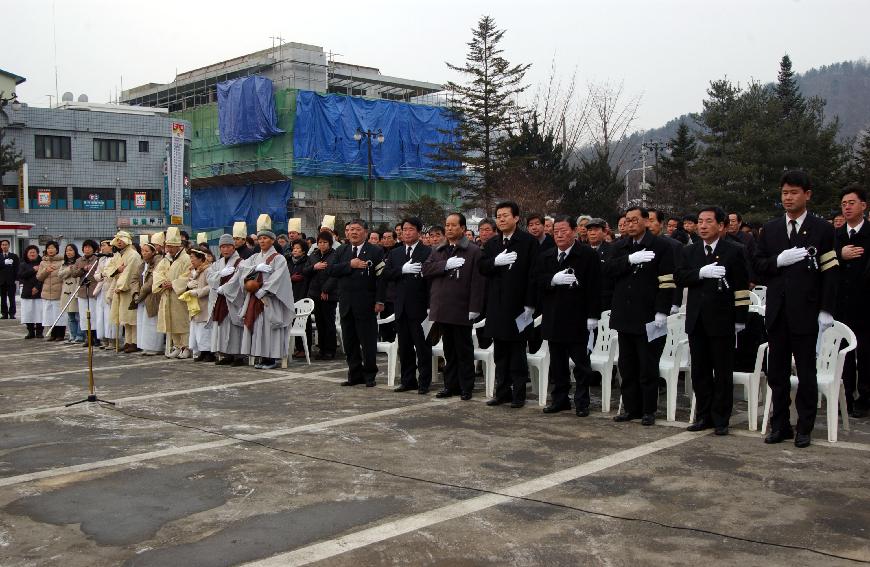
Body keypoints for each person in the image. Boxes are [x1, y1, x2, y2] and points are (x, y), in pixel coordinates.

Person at [753, 170, 838, 448]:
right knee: (776, 373)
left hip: (806, 311)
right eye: (784, 193)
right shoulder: (772, 229)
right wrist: (779, 260)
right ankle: (780, 425)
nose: (788, 198)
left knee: (805, 372)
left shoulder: (823, 229)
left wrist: (826, 309)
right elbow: (759, 266)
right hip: (777, 312)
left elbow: (830, 272)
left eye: (793, 192)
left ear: (807, 195)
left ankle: (805, 426)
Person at [675, 206, 750, 435]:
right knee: (700, 371)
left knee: (722, 371)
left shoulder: (734, 251)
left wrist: (740, 318)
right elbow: (679, 277)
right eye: (700, 221)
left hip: (722, 319)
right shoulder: (690, 251)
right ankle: (703, 415)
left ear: (721, 225)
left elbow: (741, 287)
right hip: (697, 319)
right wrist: (700, 273)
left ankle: (721, 418)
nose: (703, 226)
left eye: (709, 221)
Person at [605, 207, 676, 425]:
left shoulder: (662, 246)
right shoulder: (620, 246)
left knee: (647, 365)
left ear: (646, 221)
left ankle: (648, 409)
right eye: (628, 220)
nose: (631, 224)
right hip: (625, 314)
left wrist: (662, 311)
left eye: (636, 220)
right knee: (627, 365)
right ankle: (630, 408)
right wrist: (629, 260)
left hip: (648, 315)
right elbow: (608, 270)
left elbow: (667, 281)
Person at [536, 215, 601, 416]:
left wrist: (593, 315)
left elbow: (595, 287)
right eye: (556, 232)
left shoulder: (587, 255)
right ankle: (560, 399)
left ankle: (582, 402)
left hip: (578, 318)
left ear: (574, 231)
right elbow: (536, 281)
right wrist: (552, 280)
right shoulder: (546, 256)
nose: (560, 235)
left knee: (581, 364)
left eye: (564, 231)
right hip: (554, 317)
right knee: (558, 364)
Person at [480, 201, 539, 408]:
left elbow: (534, 274)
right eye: (499, 215)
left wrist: (530, 304)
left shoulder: (528, 242)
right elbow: (482, 267)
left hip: (519, 307)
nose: (501, 219)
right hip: (497, 306)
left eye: (506, 215)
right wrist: (495, 262)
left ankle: (519, 394)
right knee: (500, 353)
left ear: (516, 218)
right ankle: (502, 392)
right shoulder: (492, 244)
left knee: (517, 353)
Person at [423, 212, 485, 400]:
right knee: (449, 350)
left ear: (463, 228)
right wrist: (445, 265)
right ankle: (450, 385)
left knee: (464, 350)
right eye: (447, 225)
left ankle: (466, 386)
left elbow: (478, 281)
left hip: (462, 307)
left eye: (453, 225)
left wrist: (475, 307)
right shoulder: (439, 249)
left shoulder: (473, 251)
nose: (449, 228)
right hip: (442, 307)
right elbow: (426, 269)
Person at [328, 219, 384, 386]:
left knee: (367, 343)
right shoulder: (342, 250)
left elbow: (381, 279)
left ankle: (369, 376)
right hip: (346, 304)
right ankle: (354, 375)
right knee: (350, 342)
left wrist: (379, 300)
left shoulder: (375, 251)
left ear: (365, 232)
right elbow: (331, 270)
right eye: (351, 229)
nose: (353, 232)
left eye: (358, 229)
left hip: (366, 304)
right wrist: (349, 265)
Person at [379, 216, 432, 394]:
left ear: (418, 232)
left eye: (410, 229)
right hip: (400, 306)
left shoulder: (427, 251)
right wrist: (402, 269)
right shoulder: (396, 253)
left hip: (420, 306)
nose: (406, 233)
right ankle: (408, 380)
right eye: (404, 230)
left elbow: (431, 280)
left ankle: (424, 381)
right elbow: (386, 274)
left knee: (422, 347)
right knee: (405, 347)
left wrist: (430, 305)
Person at [238, 215, 295, 370]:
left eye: (265, 238)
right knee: (258, 327)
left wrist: (263, 290)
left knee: (270, 328)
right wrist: (255, 268)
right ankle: (262, 356)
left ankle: (272, 358)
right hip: (255, 297)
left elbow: (279, 278)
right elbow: (241, 269)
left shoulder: (279, 259)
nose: (262, 241)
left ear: (272, 240)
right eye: (260, 238)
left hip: (270, 299)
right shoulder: (255, 257)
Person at [834, 184, 870, 418]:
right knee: (843, 352)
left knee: (866, 353)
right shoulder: (835, 236)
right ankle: (845, 396)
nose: (847, 207)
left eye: (852, 203)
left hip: (865, 303)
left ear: (863, 206)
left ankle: (865, 398)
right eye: (844, 204)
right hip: (840, 303)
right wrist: (840, 254)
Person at [154, 227, 193, 360]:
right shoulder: (165, 259)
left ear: (178, 246)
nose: (169, 249)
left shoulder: (186, 259)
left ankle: (186, 347)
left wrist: (174, 284)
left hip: (179, 295)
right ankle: (177, 346)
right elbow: (157, 273)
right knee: (171, 320)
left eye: (171, 246)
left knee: (182, 321)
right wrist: (163, 283)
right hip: (167, 294)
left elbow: (187, 276)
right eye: (167, 246)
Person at [207, 234, 246, 366]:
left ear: (233, 247)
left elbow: (238, 280)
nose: (225, 249)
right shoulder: (218, 263)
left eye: (228, 246)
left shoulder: (240, 262)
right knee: (222, 326)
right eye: (223, 247)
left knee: (234, 327)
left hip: (232, 299)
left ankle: (238, 355)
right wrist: (220, 274)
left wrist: (225, 288)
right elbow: (210, 277)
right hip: (220, 299)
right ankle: (226, 353)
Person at [306, 232, 340, 360]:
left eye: (325, 242)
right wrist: (314, 267)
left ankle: (330, 349)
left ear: (330, 243)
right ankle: (322, 349)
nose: (322, 245)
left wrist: (326, 290)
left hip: (329, 294)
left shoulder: (335, 255)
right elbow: (305, 271)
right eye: (320, 242)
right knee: (320, 322)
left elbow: (335, 274)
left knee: (329, 322)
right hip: (315, 293)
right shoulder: (313, 255)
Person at [109, 231, 143, 353]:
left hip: (129, 289)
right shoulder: (120, 255)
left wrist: (121, 286)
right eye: (117, 239)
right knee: (125, 318)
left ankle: (135, 342)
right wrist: (117, 271)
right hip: (121, 289)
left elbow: (130, 273)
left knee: (132, 318)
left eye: (121, 239)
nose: (119, 242)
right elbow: (111, 269)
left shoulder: (133, 255)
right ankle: (128, 341)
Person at [132, 240, 165, 356]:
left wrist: (140, 294)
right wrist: (136, 292)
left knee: (152, 322)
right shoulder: (142, 264)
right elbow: (135, 279)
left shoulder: (158, 262)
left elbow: (151, 282)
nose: (144, 253)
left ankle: (155, 347)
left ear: (153, 252)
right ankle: (144, 346)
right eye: (142, 250)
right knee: (142, 322)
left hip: (152, 295)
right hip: (141, 297)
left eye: (147, 251)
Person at [181, 249, 214, 362]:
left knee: (204, 330)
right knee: (197, 330)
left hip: (204, 304)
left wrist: (198, 292)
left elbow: (211, 286)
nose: (191, 260)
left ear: (200, 258)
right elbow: (188, 283)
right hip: (195, 305)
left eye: (193, 258)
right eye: (190, 258)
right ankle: (201, 351)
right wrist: (188, 286)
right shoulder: (194, 271)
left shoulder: (208, 270)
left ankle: (208, 352)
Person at [71, 240, 101, 347]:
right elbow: (74, 273)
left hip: (94, 291)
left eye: (89, 247)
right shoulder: (79, 260)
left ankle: (97, 337)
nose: (87, 249)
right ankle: (88, 337)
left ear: (94, 249)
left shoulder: (98, 259)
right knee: (84, 316)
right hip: (83, 291)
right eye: (85, 247)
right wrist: (83, 269)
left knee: (95, 315)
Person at [286, 239, 313, 359]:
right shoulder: (289, 261)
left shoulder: (307, 261)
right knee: (292, 321)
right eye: (294, 248)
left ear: (303, 251)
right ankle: (297, 347)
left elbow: (307, 275)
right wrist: (290, 278)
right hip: (291, 293)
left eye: (298, 248)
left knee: (303, 322)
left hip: (302, 293)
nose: (295, 251)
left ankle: (305, 347)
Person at [36, 241, 65, 341]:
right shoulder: (43, 262)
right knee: (49, 314)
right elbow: (39, 277)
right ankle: (53, 333)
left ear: (57, 249)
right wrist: (46, 270)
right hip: (46, 292)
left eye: (52, 248)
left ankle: (60, 334)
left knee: (59, 313)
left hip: (59, 291)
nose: (50, 250)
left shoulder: (62, 262)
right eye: (48, 248)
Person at [58, 243, 84, 343]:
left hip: (76, 290)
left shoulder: (80, 261)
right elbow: (60, 275)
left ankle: (80, 335)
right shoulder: (64, 264)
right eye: (67, 250)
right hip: (66, 292)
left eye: (71, 250)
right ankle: (72, 335)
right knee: (70, 316)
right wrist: (69, 269)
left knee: (78, 315)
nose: (69, 252)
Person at [586, 218, 613, 310]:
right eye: (590, 230)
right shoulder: (582, 250)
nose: (592, 233)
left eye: (596, 230)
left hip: (605, 301)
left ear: (605, 232)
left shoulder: (613, 250)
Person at [18, 245, 43, 339]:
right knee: (28, 313)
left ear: (37, 253)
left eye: (34, 252)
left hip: (39, 291)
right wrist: (33, 270)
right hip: (27, 291)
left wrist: (37, 287)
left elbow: (43, 277)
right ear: (27, 254)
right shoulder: (23, 264)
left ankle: (39, 332)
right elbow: (21, 275)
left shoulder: (42, 263)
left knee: (39, 313)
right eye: (30, 252)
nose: (32, 254)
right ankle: (30, 331)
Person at [0, 239, 19, 319]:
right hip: (1, 281)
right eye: (3, 245)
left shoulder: (14, 256)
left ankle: (12, 313)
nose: (4, 246)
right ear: (1, 246)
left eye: (6, 244)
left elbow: (17, 267)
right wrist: (4, 263)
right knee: (3, 298)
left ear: (9, 246)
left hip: (11, 280)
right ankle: (4, 313)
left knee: (12, 297)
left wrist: (17, 279)